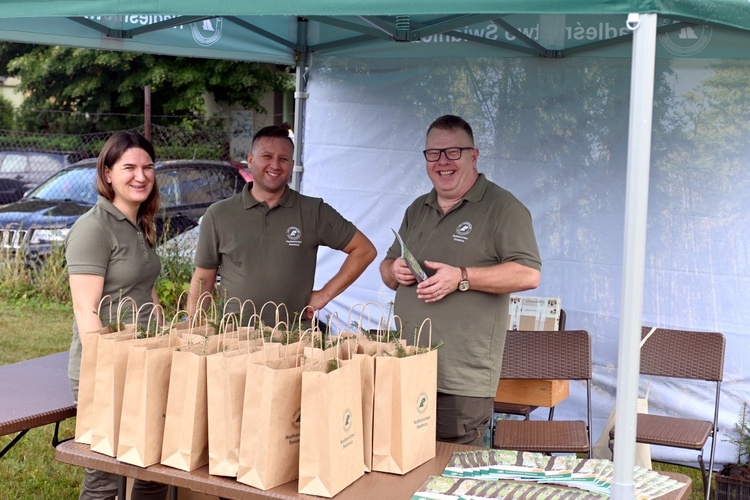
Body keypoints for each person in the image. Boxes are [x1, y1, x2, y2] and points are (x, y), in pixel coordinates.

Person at [379, 115, 542, 447]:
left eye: (453, 152)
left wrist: (462, 277)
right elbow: (386, 270)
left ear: (474, 155)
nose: (443, 162)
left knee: (454, 478)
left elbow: (528, 274)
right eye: (434, 153)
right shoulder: (418, 208)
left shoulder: (503, 207)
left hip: (460, 378)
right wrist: (394, 269)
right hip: (407, 366)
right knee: (401, 464)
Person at [65, 131, 168, 499]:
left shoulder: (140, 223)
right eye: (129, 167)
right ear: (107, 173)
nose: (141, 176)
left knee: (154, 468)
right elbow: (85, 308)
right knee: (107, 476)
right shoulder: (93, 228)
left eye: (148, 167)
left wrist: (165, 334)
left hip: (147, 360)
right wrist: (102, 373)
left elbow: (145, 287)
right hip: (106, 368)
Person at [189, 125, 376, 326]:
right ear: (250, 160)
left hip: (294, 339)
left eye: (283, 159)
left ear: (292, 165)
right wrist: (193, 329)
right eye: (267, 156)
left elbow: (364, 250)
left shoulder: (313, 210)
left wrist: (324, 295)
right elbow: (203, 278)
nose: (275, 165)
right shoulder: (219, 214)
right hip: (235, 338)